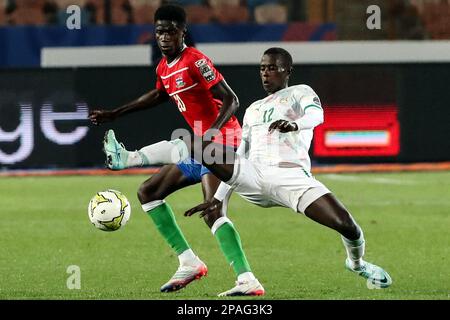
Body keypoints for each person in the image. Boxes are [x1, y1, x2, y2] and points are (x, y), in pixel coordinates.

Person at [148, 47, 393, 290]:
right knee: (197, 144)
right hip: (253, 174)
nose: (266, 73)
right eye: (263, 68)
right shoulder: (253, 109)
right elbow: (241, 151)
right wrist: (218, 198)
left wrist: (295, 125)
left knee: (346, 225)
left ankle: (357, 263)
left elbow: (317, 116)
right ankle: (134, 157)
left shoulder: (300, 92)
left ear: (287, 70)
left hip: (291, 177)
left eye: (272, 68)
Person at [89, 4, 264, 297]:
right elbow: (160, 93)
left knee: (212, 210)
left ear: (183, 32)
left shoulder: (196, 60)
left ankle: (248, 280)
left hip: (223, 143)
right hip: (201, 146)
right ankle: (189, 262)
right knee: (148, 192)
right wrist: (116, 113)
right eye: (160, 31)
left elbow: (231, 100)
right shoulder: (163, 67)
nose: (165, 37)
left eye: (171, 31)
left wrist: (211, 134)